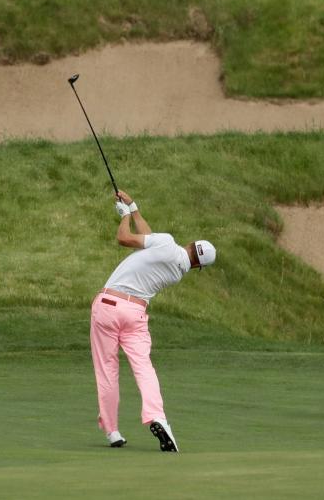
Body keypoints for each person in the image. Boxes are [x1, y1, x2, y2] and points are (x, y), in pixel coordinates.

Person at [91, 189, 215, 451]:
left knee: (108, 370)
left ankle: (112, 431)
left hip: (108, 306)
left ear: (191, 244)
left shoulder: (167, 243)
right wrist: (134, 208)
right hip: (135, 315)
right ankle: (157, 416)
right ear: (198, 266)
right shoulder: (177, 271)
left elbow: (124, 238)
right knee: (144, 368)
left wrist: (124, 216)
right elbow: (149, 237)